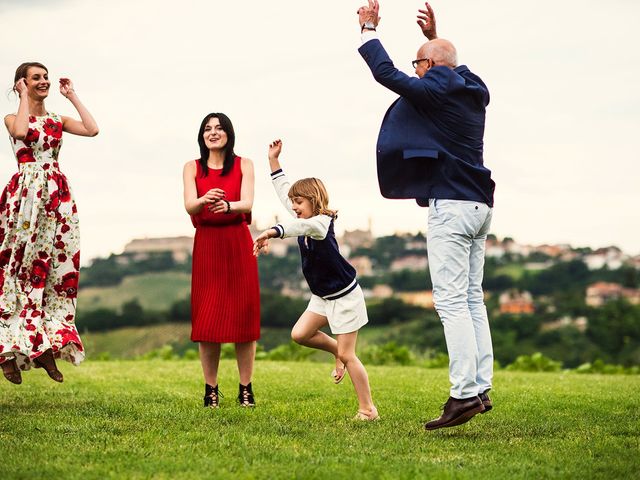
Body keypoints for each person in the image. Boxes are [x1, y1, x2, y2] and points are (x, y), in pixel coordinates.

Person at [356, 1, 496, 430]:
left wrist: (369, 30)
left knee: (451, 301)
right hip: (480, 206)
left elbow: (386, 74)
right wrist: (437, 37)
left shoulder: (436, 87)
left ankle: (462, 395)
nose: (415, 71)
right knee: (472, 298)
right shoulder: (472, 89)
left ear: (431, 65)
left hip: (452, 207)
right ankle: (480, 387)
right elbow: (451, 65)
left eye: (420, 63)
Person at [253, 139, 378, 421]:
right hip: (322, 296)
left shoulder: (320, 222)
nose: (293, 206)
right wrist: (274, 161)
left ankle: (368, 409)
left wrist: (271, 232)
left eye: (299, 202)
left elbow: (300, 224)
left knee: (349, 356)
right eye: (294, 203)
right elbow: (285, 192)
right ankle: (338, 350)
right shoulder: (303, 213)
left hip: (344, 297)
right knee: (300, 334)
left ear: (314, 201)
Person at [0, 62, 99, 384]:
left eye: (45, 77)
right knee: (17, 269)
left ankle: (45, 347)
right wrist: (24, 96)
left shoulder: (57, 120)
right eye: (36, 78)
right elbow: (19, 133)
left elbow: (92, 129)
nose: (43, 82)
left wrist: (72, 96)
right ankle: (8, 350)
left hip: (56, 196)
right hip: (25, 196)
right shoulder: (13, 117)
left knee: (54, 268)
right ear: (22, 84)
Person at [183, 113, 260, 408]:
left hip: (238, 243)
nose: (213, 133)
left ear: (229, 133)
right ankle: (210, 389)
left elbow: (247, 202)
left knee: (244, 316)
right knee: (207, 319)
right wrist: (204, 200)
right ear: (202, 136)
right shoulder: (192, 167)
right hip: (208, 245)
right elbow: (189, 204)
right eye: (207, 129)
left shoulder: (245, 165)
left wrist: (226, 204)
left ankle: (245, 388)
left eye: (219, 128)